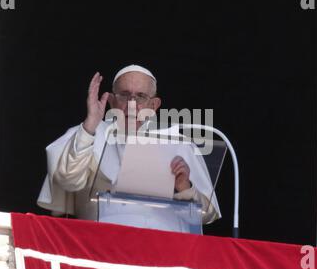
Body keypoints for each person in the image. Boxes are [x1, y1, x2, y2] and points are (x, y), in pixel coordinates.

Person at [37, 65, 221, 230]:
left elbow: (206, 215)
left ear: (154, 105)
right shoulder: (89, 133)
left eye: (140, 96)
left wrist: (184, 187)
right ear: (111, 101)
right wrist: (91, 125)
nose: (131, 105)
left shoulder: (178, 144)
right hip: (100, 244)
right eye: (124, 95)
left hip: (167, 249)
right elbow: (68, 180)